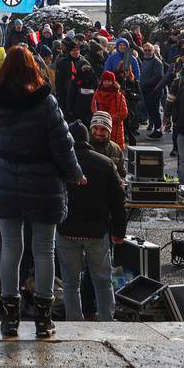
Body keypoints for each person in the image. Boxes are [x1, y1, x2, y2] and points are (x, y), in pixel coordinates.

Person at [0, 44, 84, 341]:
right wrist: (75, 174)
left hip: (6, 178)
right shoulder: (45, 102)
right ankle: (42, 318)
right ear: (33, 68)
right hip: (42, 181)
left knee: (11, 247)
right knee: (43, 249)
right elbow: (63, 145)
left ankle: (10, 317)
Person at [57, 114, 127, 322]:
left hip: (67, 229)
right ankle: (107, 321)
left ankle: (74, 323)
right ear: (88, 137)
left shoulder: (61, 163)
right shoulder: (105, 163)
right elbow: (118, 200)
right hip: (97, 231)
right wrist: (119, 232)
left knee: (70, 284)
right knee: (103, 281)